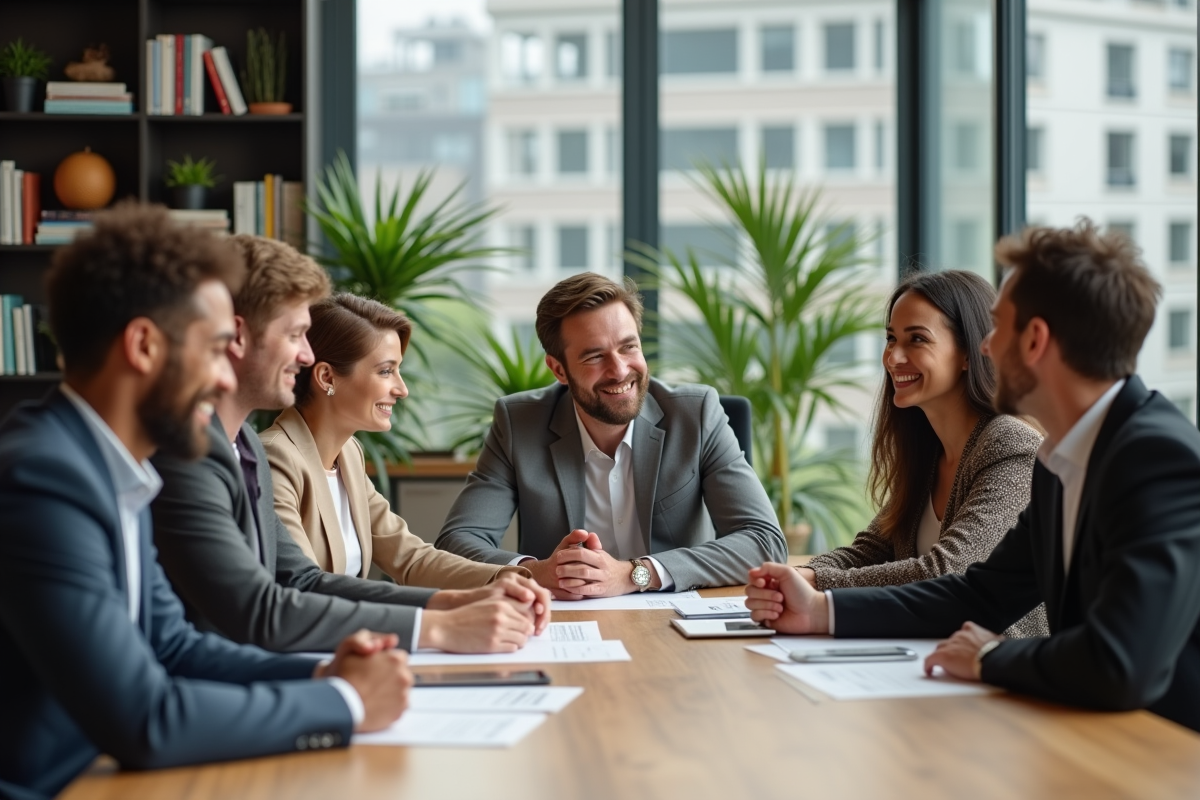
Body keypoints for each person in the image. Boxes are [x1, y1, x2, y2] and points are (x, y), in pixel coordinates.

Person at [0, 204, 411, 800]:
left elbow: (174, 646)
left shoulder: (114, 466)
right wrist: (345, 701)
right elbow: (147, 719)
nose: (226, 379)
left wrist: (327, 673)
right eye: (218, 348)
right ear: (143, 346)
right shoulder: (44, 479)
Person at [746, 221, 1200, 732]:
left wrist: (988, 659)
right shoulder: (1062, 460)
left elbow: (1120, 662)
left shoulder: (1155, 458)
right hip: (1092, 735)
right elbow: (977, 593)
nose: (987, 348)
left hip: (1168, 755)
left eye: (997, 328)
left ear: (1035, 340)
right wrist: (820, 610)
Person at [151, 236, 548, 657]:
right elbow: (276, 604)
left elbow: (343, 571)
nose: (304, 355)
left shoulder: (264, 446)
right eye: (294, 334)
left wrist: (471, 593)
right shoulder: (253, 454)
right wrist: (438, 625)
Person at [435, 272, 787, 597]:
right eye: (594, 356)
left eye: (628, 347)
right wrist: (535, 572)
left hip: (673, 620)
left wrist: (637, 573)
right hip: (568, 624)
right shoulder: (519, 424)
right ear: (559, 369)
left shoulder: (696, 415)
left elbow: (764, 541)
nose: (619, 370)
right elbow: (456, 542)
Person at [260, 293, 550, 609]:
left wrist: (518, 578)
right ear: (327, 377)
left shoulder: (348, 455)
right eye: (386, 371)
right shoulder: (275, 459)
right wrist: (440, 611)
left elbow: (411, 559)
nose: (401, 389)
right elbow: (304, 589)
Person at [802, 270, 1046, 637]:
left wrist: (818, 586)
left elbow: (947, 569)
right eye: (890, 338)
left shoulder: (1010, 445)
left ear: (969, 353)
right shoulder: (928, 449)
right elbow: (870, 550)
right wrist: (798, 577)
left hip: (995, 675)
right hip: (923, 658)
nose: (893, 357)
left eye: (916, 339)